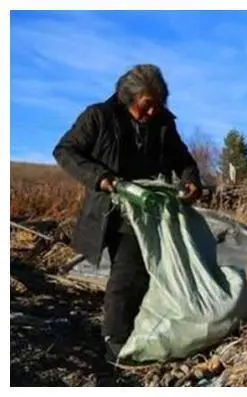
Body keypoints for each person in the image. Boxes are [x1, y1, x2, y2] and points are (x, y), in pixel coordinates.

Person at [52, 64, 203, 363]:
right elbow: (65, 151)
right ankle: (116, 343)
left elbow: (183, 159)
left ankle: (132, 329)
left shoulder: (163, 124)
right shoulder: (98, 117)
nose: (152, 113)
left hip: (147, 210)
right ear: (128, 97)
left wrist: (191, 180)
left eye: (159, 106)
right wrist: (100, 176)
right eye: (147, 106)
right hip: (110, 209)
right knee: (128, 273)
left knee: (143, 272)